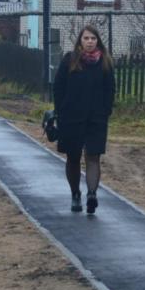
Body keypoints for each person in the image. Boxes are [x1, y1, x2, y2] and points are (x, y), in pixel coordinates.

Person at [53, 25, 116, 215]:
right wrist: (60, 112)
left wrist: (106, 111)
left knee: (93, 156)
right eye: (86, 38)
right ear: (80, 41)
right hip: (71, 118)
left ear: (98, 41)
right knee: (73, 157)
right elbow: (58, 87)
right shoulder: (70, 61)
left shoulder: (105, 63)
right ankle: (75, 195)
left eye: (93, 39)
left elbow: (110, 89)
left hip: (96, 118)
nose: (90, 42)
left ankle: (91, 194)